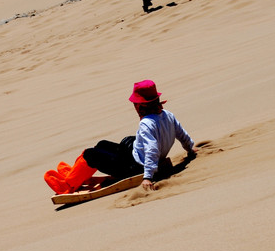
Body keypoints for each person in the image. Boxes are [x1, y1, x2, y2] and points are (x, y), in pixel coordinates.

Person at [44, 80, 197, 194]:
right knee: (105, 144)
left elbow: (152, 150)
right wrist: (190, 148)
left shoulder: (146, 124)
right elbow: (181, 133)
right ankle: (76, 173)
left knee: (91, 154)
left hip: (136, 167)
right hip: (138, 157)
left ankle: (68, 184)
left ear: (139, 106)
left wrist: (147, 177)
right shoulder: (167, 115)